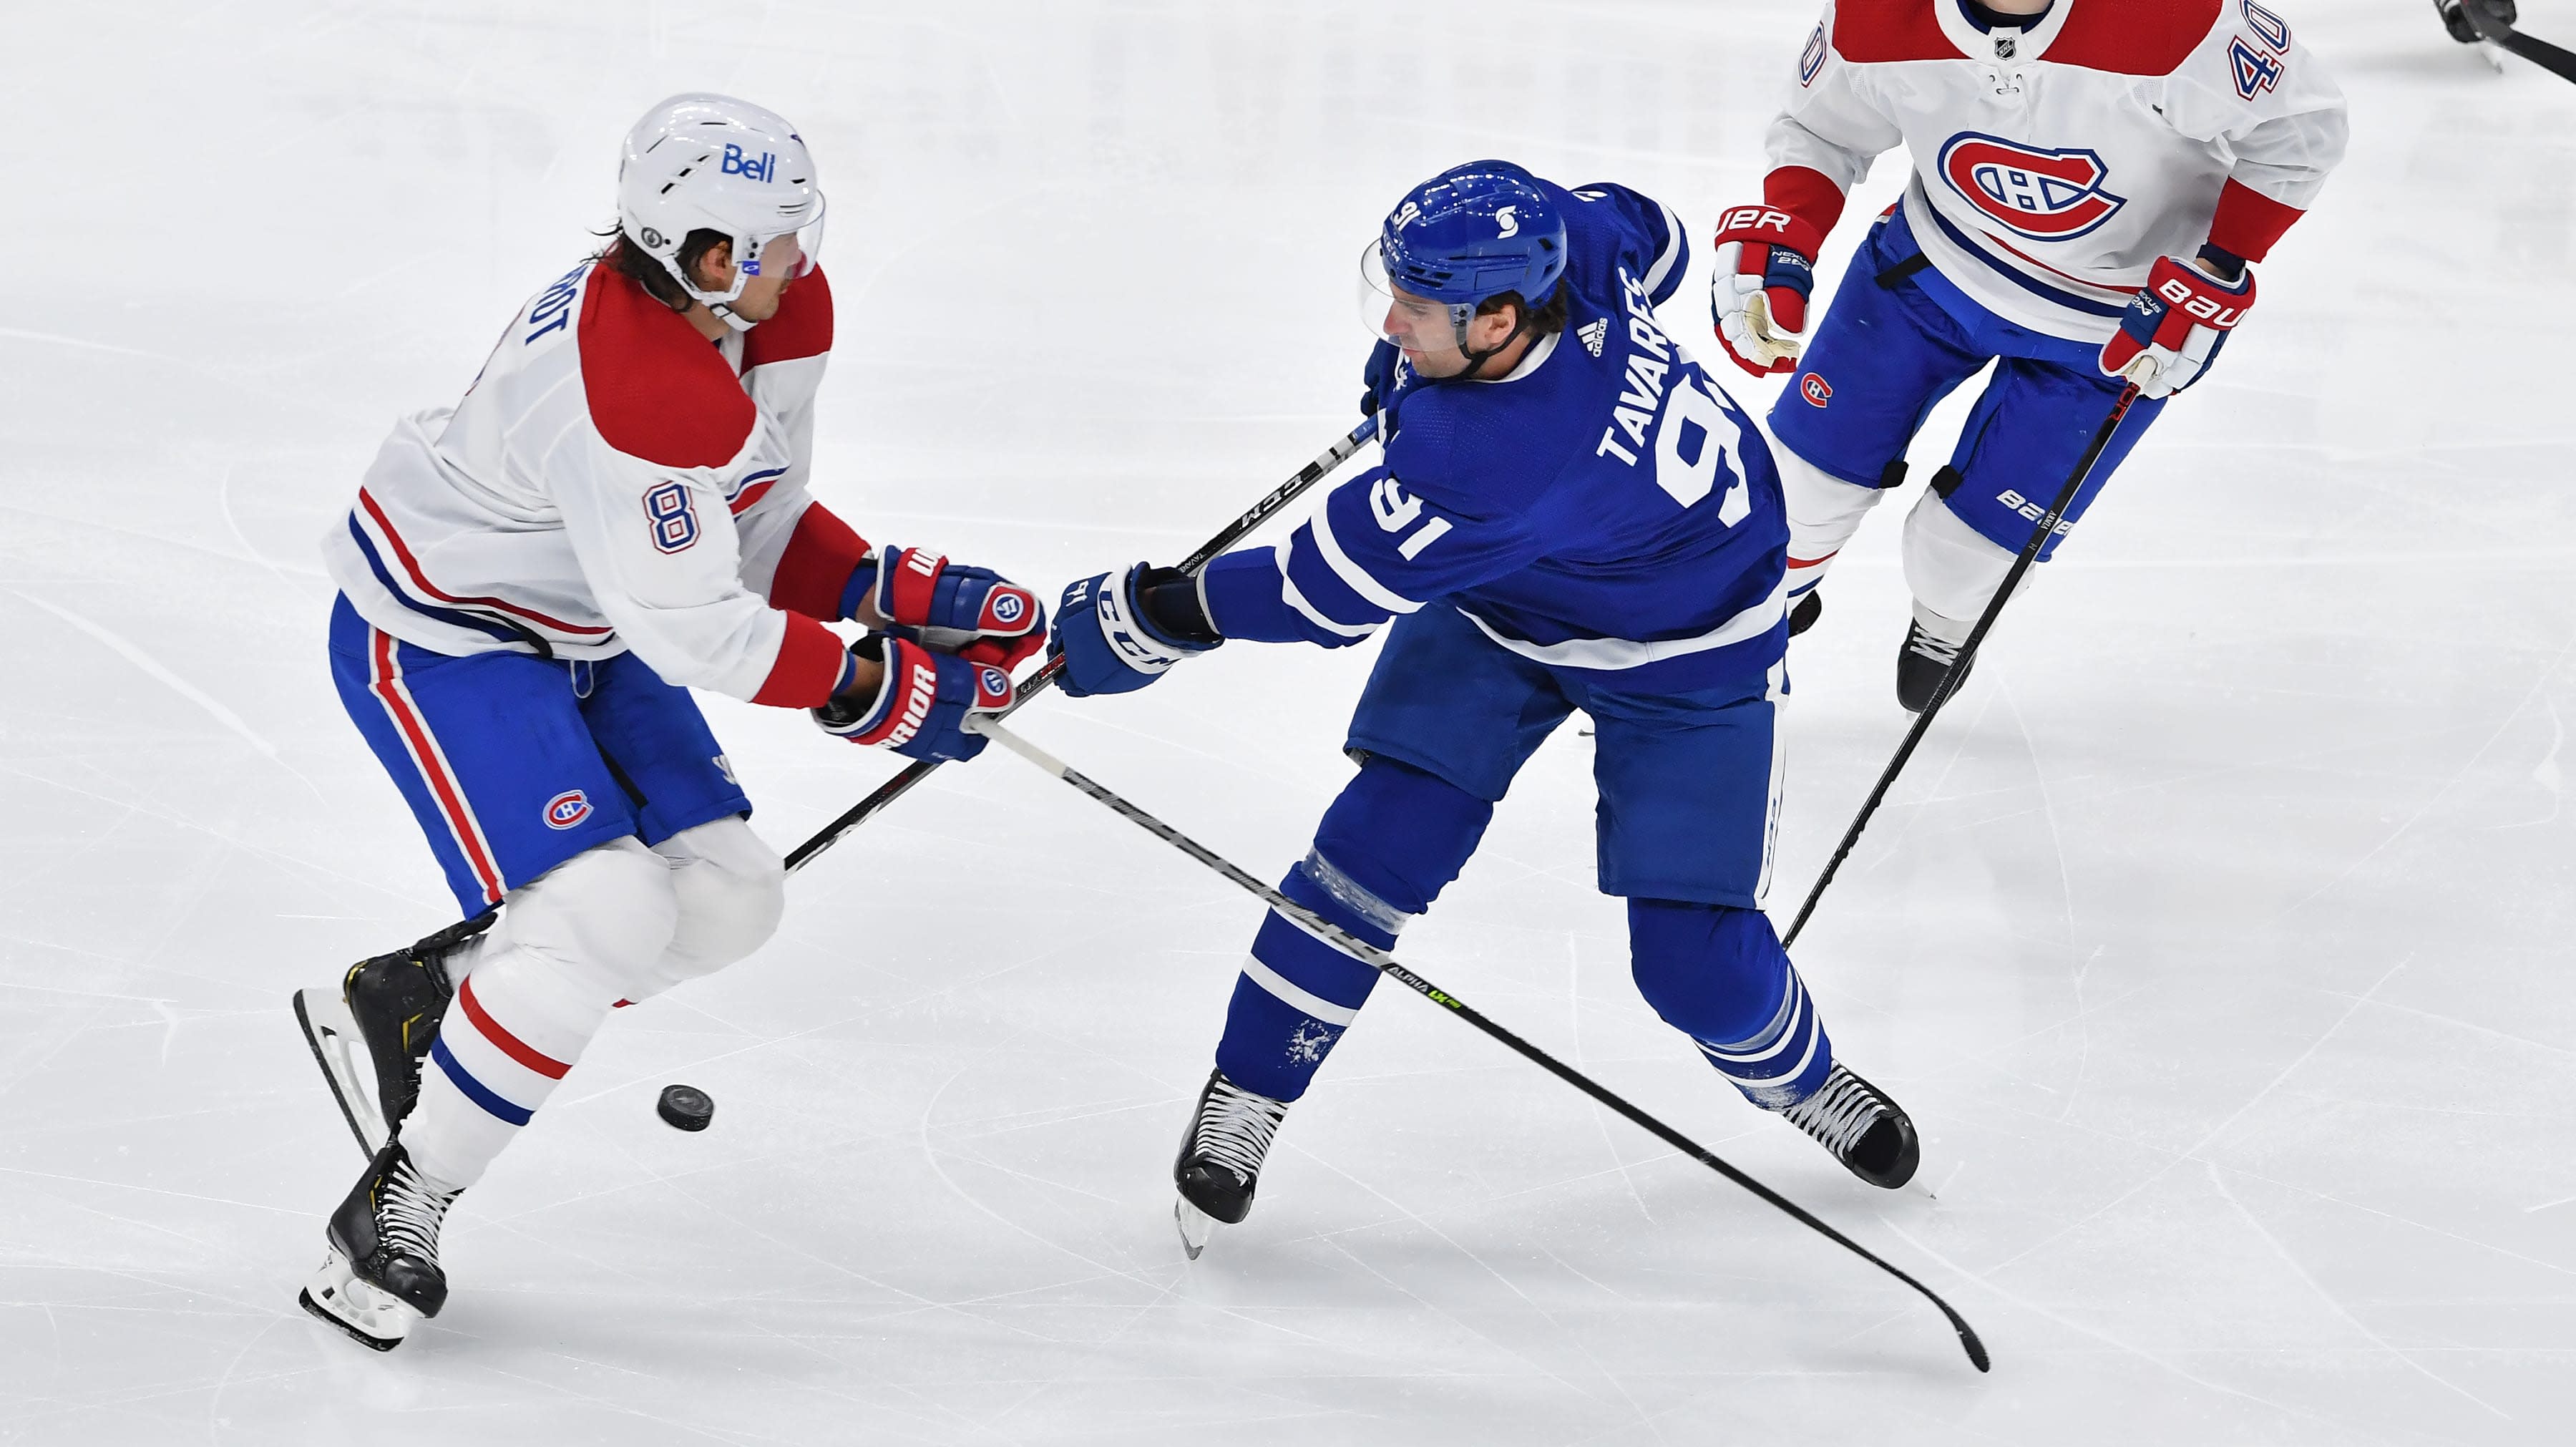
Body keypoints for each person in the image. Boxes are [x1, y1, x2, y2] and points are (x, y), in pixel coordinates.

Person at [1047, 160, 1922, 1258]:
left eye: (1418, 308)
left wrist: (1163, 614)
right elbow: (1650, 233)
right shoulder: (1560, 240)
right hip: (1515, 594)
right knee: (1369, 852)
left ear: (1502, 319)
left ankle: (1804, 1079)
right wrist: (1426, 367)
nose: (1392, 321)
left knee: (1693, 963)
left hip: (1689, 646)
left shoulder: (1493, 461)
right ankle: (1251, 1091)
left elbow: (1322, 590)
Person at [294, 93, 1039, 1350]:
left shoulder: (767, 311)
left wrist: (894, 591)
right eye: (781, 238)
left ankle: (430, 999)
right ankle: (397, 1204)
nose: (806, 258)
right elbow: (694, 627)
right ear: (708, 257)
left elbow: (739, 525)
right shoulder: (626, 385)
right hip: (446, 636)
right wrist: (875, 690)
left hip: (596, 615)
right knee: (608, 914)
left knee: (734, 898)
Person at [1709, 0, 2346, 708]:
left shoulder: (2183, 19)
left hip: (2111, 330)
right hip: (1929, 270)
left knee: (1967, 558)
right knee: (1801, 489)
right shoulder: (1876, 15)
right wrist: (1790, 227)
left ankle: (1949, 620)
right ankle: (1753, 619)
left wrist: (2222, 263)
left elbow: (2303, 126)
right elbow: (1821, 124)